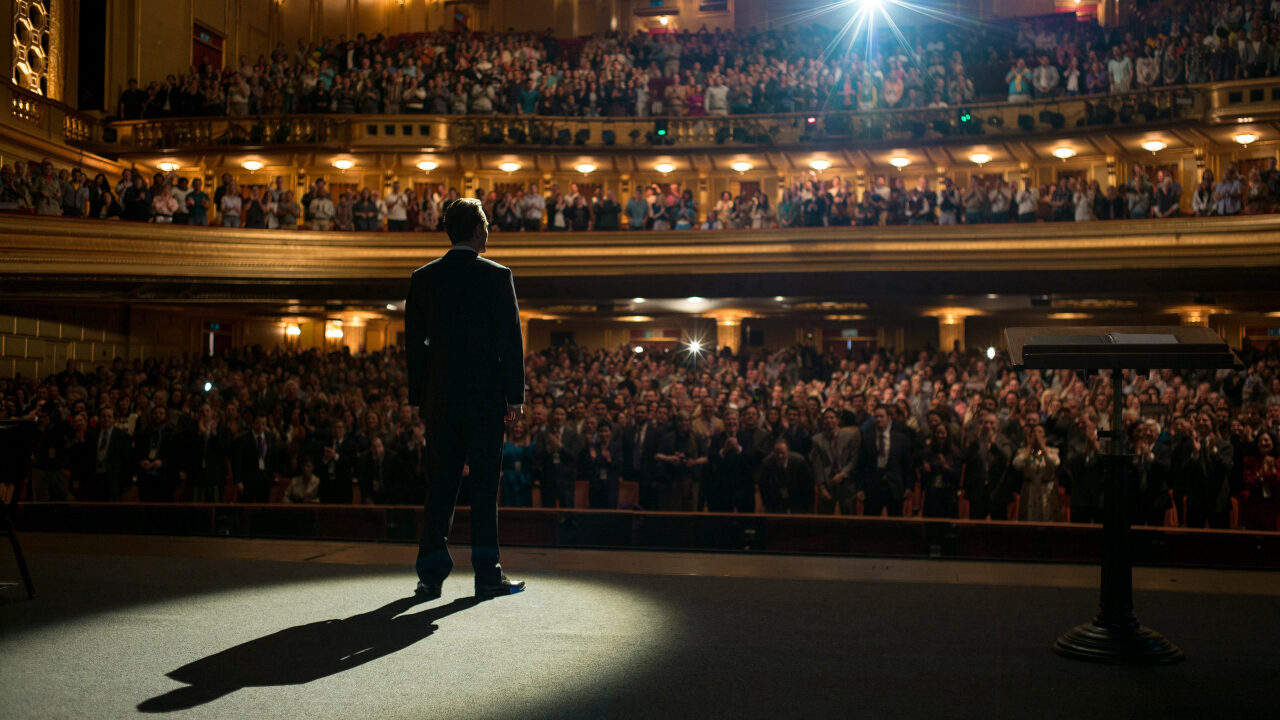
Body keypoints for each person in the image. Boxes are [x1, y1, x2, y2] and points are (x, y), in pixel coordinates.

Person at [405, 197, 526, 600]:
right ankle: (487, 573)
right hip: (486, 399)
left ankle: (431, 575)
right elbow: (510, 341)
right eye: (487, 224)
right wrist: (515, 396)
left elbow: (414, 344)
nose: (489, 230)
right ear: (477, 230)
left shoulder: (424, 277)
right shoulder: (497, 276)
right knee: (484, 486)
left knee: (439, 486)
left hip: (440, 399)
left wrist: (419, 395)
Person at [854, 405, 914, 517]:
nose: (878, 419)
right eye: (876, 417)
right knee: (870, 525)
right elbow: (860, 466)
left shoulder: (900, 439)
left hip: (894, 488)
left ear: (889, 418)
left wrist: (909, 486)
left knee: (895, 525)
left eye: (881, 416)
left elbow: (907, 465)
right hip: (872, 488)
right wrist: (860, 488)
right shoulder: (867, 438)